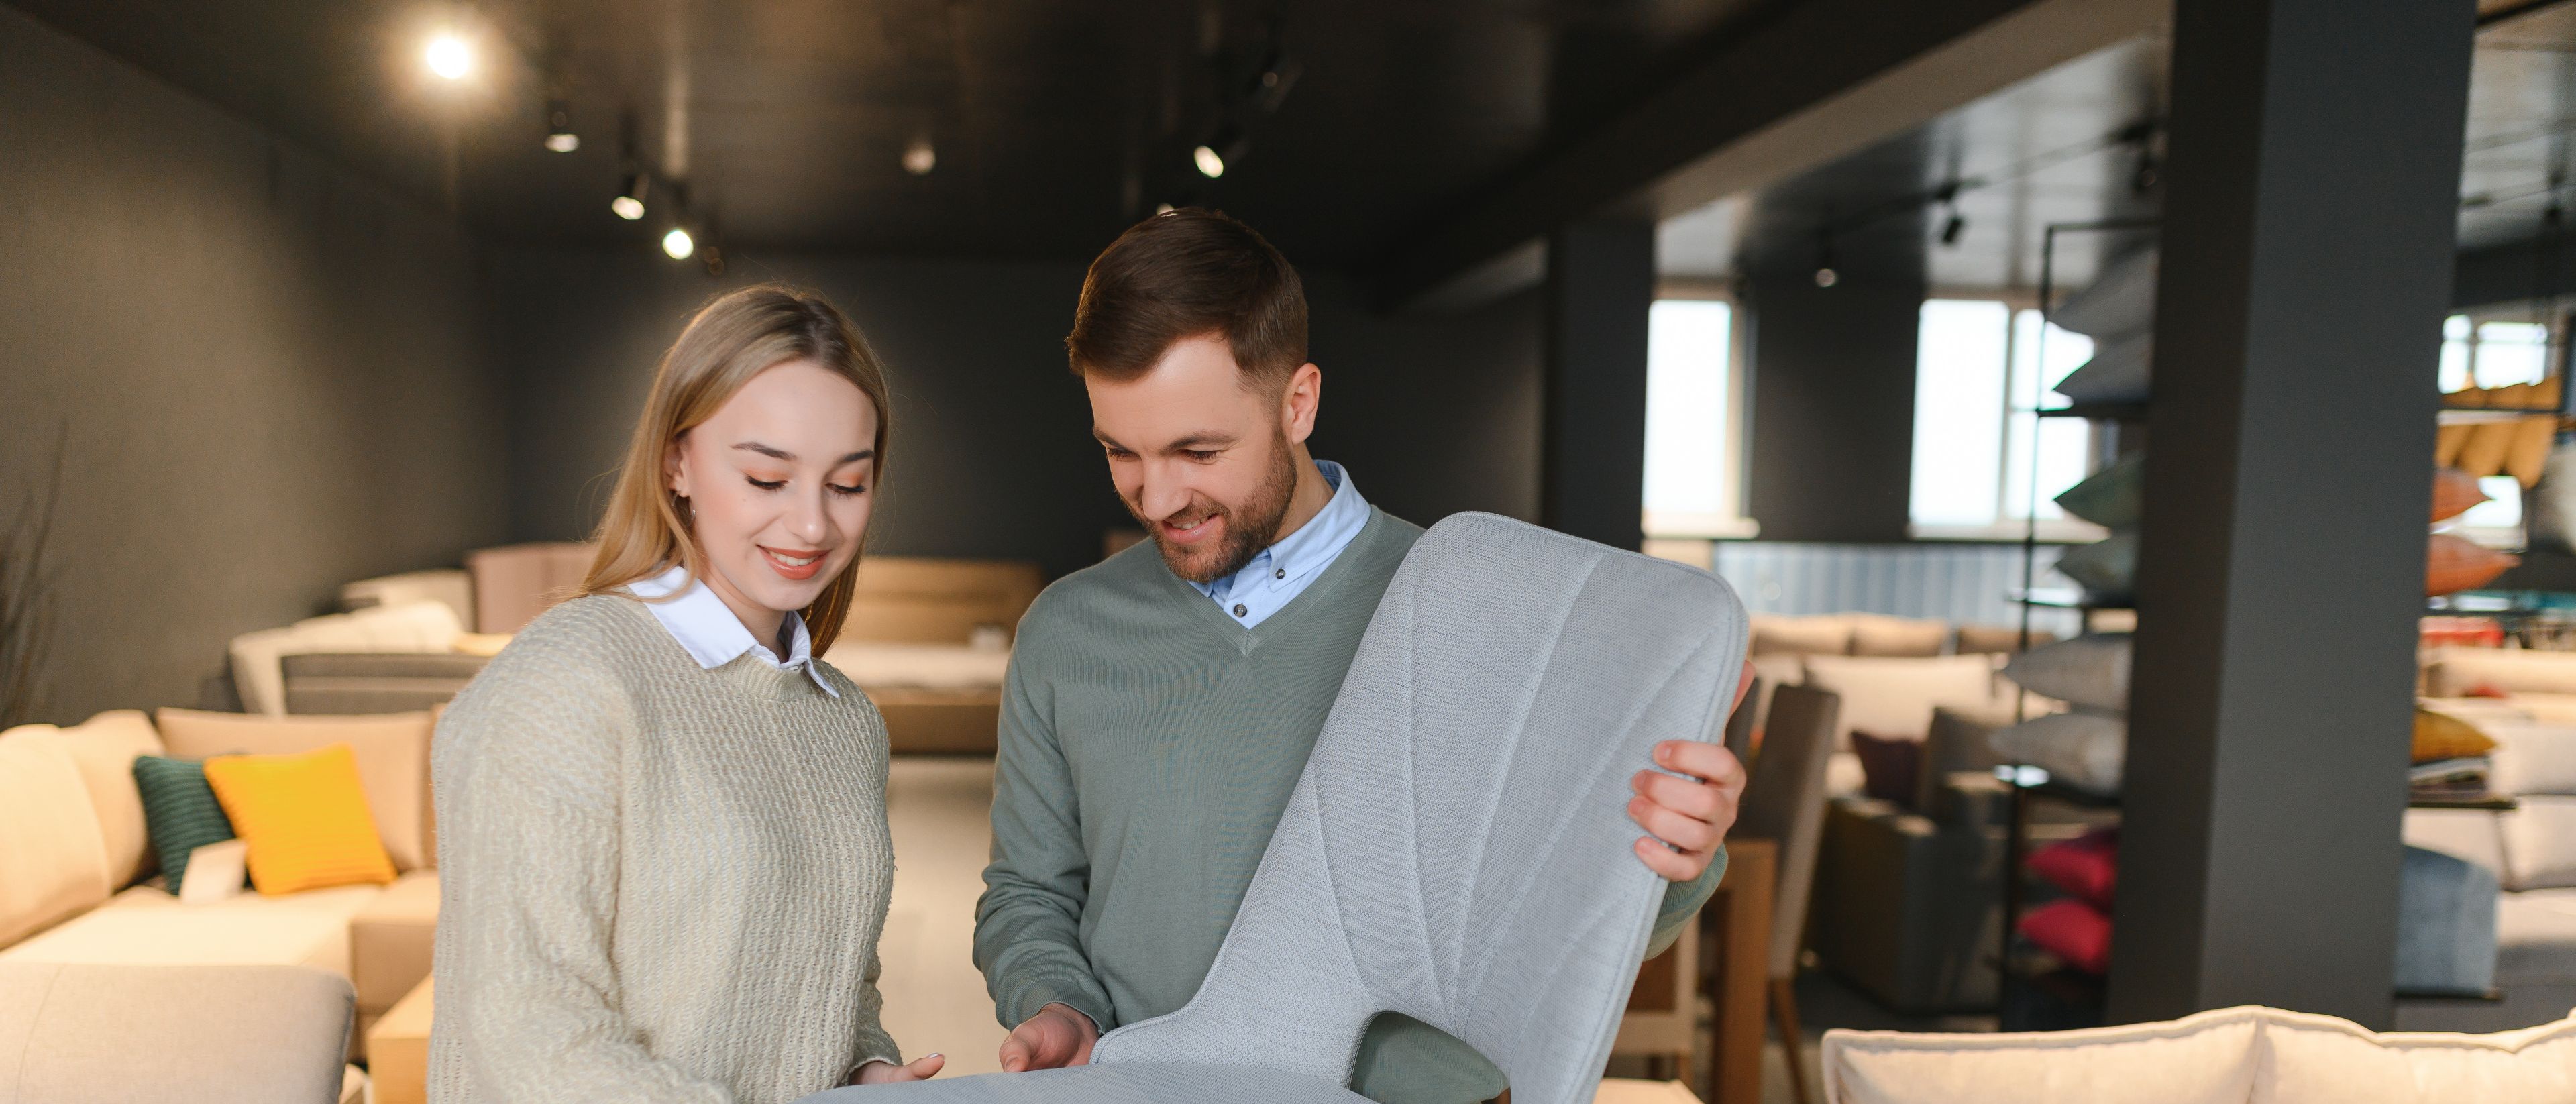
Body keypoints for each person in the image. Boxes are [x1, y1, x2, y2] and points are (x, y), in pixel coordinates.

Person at [974, 209, 1752, 1104]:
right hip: (1146, 1090)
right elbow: (1027, 893)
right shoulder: (1067, 632)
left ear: (1297, 402)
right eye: (1121, 451)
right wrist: (1057, 1002)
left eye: (1199, 450)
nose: (1158, 495)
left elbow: (1559, 942)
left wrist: (1682, 849)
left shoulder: (1478, 616)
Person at [429, 285, 945, 1103]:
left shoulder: (846, 721)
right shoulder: (566, 685)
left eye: (847, 484)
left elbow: (833, 983)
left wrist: (865, 1064)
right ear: (677, 462)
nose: (811, 525)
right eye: (767, 477)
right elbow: (527, 1035)